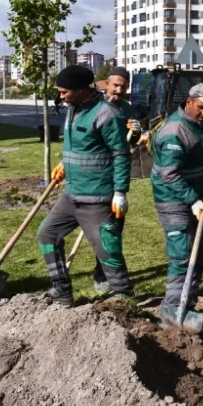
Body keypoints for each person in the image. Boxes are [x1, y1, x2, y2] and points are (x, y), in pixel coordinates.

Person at [39, 65, 133, 306]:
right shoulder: (74, 109)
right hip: (72, 195)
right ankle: (62, 290)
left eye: (64, 92)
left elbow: (121, 155)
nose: (61, 96)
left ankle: (123, 295)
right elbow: (83, 146)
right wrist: (64, 163)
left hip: (96, 197)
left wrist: (120, 192)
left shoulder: (106, 114)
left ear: (81, 90)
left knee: (106, 248)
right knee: (47, 234)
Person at [151, 83, 203, 318]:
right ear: (189, 101)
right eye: (201, 107)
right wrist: (193, 200)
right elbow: (169, 174)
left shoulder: (198, 122)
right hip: (174, 199)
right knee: (182, 253)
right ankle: (172, 309)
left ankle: (187, 304)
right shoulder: (174, 131)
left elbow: (199, 145)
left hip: (193, 198)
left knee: (198, 253)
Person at [82, 65, 144, 295]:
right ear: (106, 83)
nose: (118, 90)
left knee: (114, 230)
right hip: (95, 177)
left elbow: (131, 142)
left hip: (117, 177)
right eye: (115, 85)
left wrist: (136, 131)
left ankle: (104, 276)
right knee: (100, 231)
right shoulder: (95, 107)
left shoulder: (126, 109)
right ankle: (102, 277)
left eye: (123, 86)